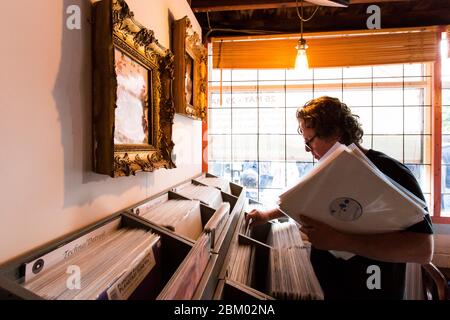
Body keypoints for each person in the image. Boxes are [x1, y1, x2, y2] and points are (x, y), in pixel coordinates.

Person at [246, 96, 434, 300]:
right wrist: (266, 215)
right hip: (328, 288)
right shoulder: (328, 172)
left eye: (310, 141)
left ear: (335, 132)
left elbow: (423, 249)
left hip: (373, 288)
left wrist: (342, 241)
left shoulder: (391, 172)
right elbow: (305, 201)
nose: (307, 149)